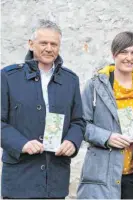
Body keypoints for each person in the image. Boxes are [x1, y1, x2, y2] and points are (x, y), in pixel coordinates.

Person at [1, 19, 85, 199]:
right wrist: (22, 143)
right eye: (43, 43)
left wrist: (72, 141)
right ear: (31, 44)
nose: (49, 48)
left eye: (54, 44)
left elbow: (78, 121)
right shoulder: (8, 77)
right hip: (20, 180)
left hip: (55, 180)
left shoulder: (71, 80)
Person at [77, 31, 133, 199]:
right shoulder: (95, 86)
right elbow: (81, 123)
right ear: (114, 54)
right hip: (102, 176)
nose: (129, 57)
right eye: (123, 52)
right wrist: (107, 137)